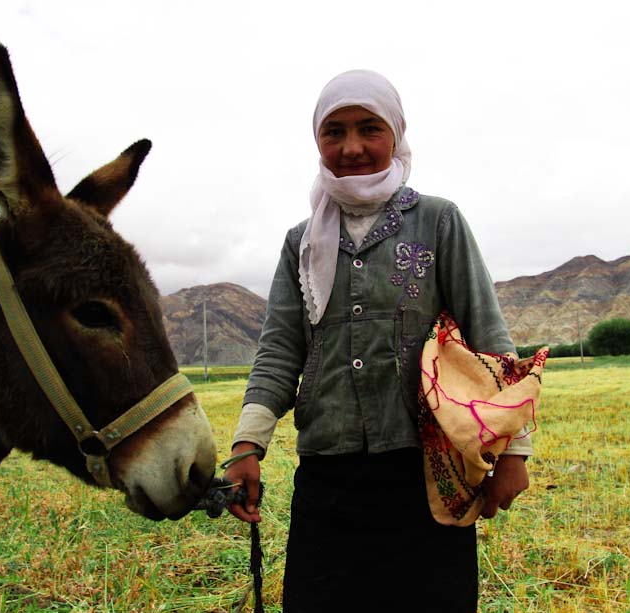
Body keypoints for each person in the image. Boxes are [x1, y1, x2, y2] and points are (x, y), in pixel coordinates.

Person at [225, 69, 532, 612]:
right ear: (317, 141)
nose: (351, 148)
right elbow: (278, 351)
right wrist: (247, 446)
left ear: (396, 133)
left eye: (369, 128)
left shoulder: (438, 222)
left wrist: (516, 452)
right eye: (334, 132)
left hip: (427, 472)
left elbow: (490, 338)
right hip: (328, 476)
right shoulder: (301, 241)